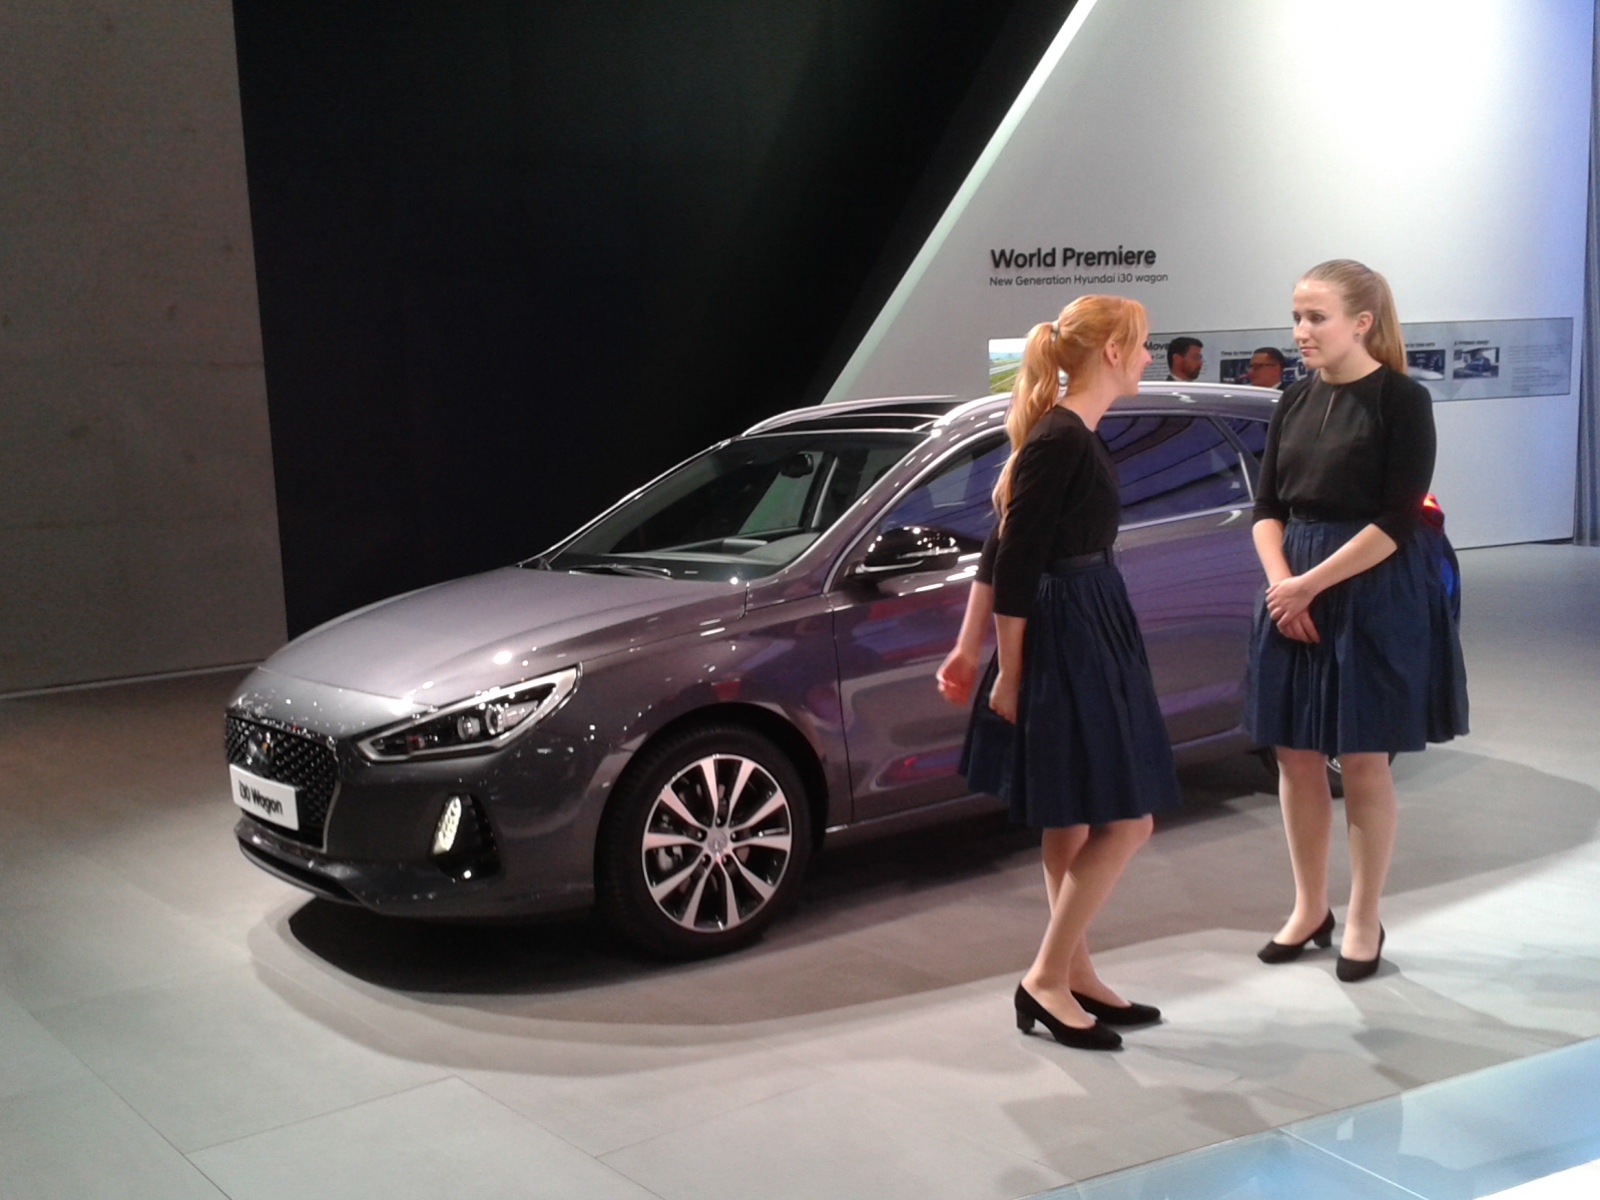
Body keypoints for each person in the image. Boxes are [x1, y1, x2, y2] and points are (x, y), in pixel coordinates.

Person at [936, 295, 1182, 1051]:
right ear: (1111, 352)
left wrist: (968, 649)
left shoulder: (1066, 435)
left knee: (1071, 812)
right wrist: (1003, 671)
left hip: (1086, 615)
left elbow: (1001, 547)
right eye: (1143, 344)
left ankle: (1073, 972)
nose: (1149, 357)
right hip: (1069, 624)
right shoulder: (1061, 438)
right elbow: (1012, 563)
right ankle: (1046, 979)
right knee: (1129, 819)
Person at [1246, 259, 1468, 982]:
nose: (1301, 331)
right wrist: (1283, 587)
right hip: (1294, 583)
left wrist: (1309, 585)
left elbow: (1400, 519)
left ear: (1361, 323)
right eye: (1297, 317)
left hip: (1368, 584)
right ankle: (1310, 907)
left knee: (1364, 756)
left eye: (1316, 318)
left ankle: (1365, 917)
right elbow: (1267, 508)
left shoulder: (1402, 399)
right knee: (1294, 753)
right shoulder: (1292, 400)